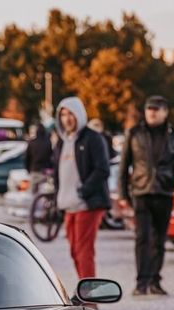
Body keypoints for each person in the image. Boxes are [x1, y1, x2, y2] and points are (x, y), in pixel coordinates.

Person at [117, 95, 174, 296]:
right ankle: (141, 282)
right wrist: (123, 194)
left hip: (164, 192)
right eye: (149, 108)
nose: (152, 112)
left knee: (159, 239)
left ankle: (155, 281)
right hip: (141, 192)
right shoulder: (134, 133)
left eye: (156, 109)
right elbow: (124, 165)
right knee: (142, 238)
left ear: (165, 112)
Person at [51, 97, 111, 280]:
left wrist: (82, 192)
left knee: (84, 251)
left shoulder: (93, 139)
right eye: (63, 114)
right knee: (74, 251)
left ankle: (90, 298)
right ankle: (84, 290)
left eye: (71, 114)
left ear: (79, 115)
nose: (67, 119)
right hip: (68, 205)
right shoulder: (62, 142)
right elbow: (58, 173)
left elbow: (102, 169)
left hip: (87, 204)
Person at [25, 122, 54, 194]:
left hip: (34, 170)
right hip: (45, 171)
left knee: (32, 193)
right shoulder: (48, 142)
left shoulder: (32, 143)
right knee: (44, 192)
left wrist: (28, 169)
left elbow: (27, 158)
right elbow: (51, 156)